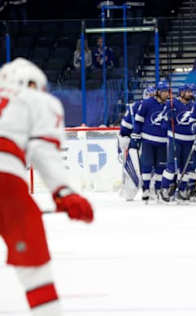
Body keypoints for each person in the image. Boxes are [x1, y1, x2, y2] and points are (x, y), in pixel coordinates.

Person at [0, 57, 93, 316]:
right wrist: (64, 193)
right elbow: (44, 153)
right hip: (6, 181)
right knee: (35, 271)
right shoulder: (39, 100)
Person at [131, 81, 169, 201]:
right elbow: (138, 120)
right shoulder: (147, 103)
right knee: (147, 166)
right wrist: (136, 133)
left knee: (160, 168)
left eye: (167, 91)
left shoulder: (169, 105)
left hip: (163, 142)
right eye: (163, 91)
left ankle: (157, 190)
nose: (165, 94)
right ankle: (146, 189)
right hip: (148, 140)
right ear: (158, 92)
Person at [117, 85, 154, 201]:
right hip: (135, 146)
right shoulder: (134, 108)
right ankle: (130, 189)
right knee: (133, 174)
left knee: (153, 171)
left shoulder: (159, 107)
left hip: (152, 145)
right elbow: (124, 129)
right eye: (149, 96)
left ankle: (152, 190)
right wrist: (123, 141)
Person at [160, 84, 196, 202]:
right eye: (188, 92)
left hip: (189, 141)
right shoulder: (171, 104)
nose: (190, 94)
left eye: (191, 92)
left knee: (186, 167)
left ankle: (182, 189)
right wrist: (168, 118)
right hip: (175, 139)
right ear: (181, 92)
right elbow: (163, 124)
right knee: (171, 166)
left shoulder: (194, 105)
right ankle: (164, 188)